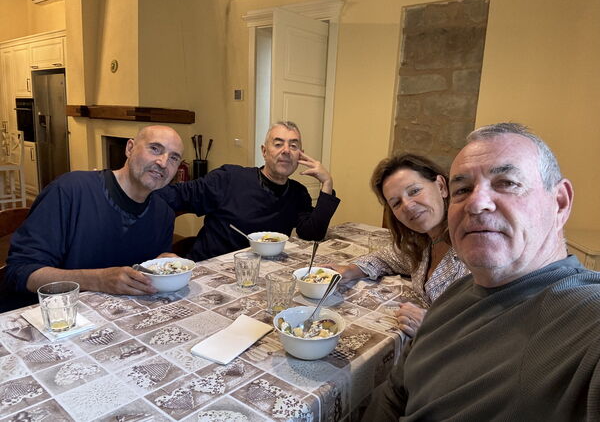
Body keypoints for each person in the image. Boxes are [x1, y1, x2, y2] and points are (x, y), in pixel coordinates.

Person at [365, 122, 600, 421]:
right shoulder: (455, 294)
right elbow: (395, 392)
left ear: (560, 202)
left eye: (506, 183)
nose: (476, 204)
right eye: (463, 189)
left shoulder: (587, 320)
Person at [2, 125, 184, 311]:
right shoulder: (69, 190)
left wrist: (162, 265)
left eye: (174, 158)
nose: (163, 163)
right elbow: (20, 272)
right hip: (50, 315)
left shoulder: (163, 213)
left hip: (118, 316)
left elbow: (145, 278)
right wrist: (98, 280)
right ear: (130, 148)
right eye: (155, 149)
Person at [327, 154, 469, 337]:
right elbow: (386, 258)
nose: (407, 206)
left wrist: (434, 326)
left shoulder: (475, 248)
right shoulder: (423, 243)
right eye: (396, 203)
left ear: (441, 186)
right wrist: (351, 270)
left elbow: (493, 329)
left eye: (414, 191)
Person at [158, 121, 340, 261]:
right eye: (278, 144)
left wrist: (327, 183)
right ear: (264, 151)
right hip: (209, 270)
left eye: (293, 146)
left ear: (300, 154)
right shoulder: (229, 178)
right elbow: (172, 196)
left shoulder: (297, 193)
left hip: (260, 274)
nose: (286, 151)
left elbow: (312, 234)